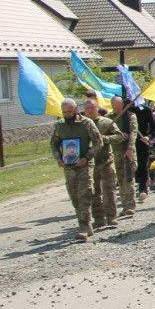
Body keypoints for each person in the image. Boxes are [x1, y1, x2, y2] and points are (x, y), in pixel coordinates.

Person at [50, 98, 103, 242]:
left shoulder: (86, 123)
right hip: (68, 167)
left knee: (84, 194)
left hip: (84, 165)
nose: (67, 114)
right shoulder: (59, 126)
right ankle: (84, 224)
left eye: (69, 112)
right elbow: (54, 144)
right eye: (64, 112)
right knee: (74, 196)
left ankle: (84, 226)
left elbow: (98, 142)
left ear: (75, 110)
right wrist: (58, 158)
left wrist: (87, 157)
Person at [83, 99, 121, 229]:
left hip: (106, 161)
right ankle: (98, 218)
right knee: (94, 193)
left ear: (97, 108)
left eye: (92, 108)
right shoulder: (82, 125)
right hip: (90, 164)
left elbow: (119, 136)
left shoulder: (106, 122)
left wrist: (104, 139)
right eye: (87, 108)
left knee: (109, 191)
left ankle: (112, 217)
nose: (90, 110)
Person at [109, 95, 138, 219]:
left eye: (118, 107)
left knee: (128, 178)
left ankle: (130, 206)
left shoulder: (130, 116)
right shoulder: (109, 118)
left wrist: (130, 148)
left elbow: (133, 133)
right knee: (120, 180)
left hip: (128, 151)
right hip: (115, 152)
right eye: (114, 107)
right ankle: (124, 205)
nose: (116, 109)